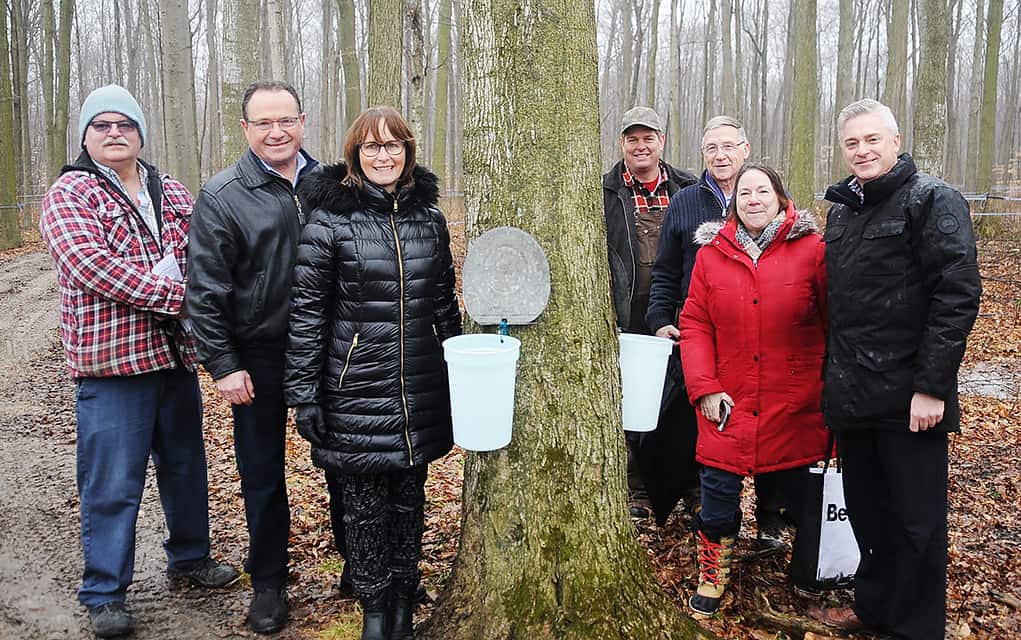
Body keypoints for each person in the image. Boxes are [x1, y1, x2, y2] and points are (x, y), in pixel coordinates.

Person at [39, 84, 238, 638]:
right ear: (86, 135)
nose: (113, 133)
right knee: (112, 483)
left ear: (139, 132)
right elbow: (92, 266)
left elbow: (200, 251)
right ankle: (104, 591)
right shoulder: (70, 193)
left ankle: (191, 558)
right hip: (112, 367)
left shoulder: (168, 187)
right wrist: (178, 294)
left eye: (124, 124)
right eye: (101, 125)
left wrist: (178, 277)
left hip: (174, 358)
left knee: (184, 466)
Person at [284, 106, 461, 640]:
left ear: (407, 153)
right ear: (354, 156)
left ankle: (405, 596)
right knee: (363, 506)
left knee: (410, 497)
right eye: (371, 147)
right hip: (353, 386)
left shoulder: (429, 219)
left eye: (393, 146)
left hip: (419, 385)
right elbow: (308, 311)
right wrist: (304, 394)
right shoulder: (329, 221)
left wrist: (460, 368)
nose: (383, 156)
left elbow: (442, 302)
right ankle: (375, 606)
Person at [808, 99, 981, 640]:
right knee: (868, 513)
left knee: (917, 522)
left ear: (896, 140)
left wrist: (932, 386)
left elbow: (956, 295)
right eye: (852, 143)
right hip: (855, 396)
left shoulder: (932, 200)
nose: (862, 151)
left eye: (872, 140)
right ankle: (874, 607)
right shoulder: (842, 211)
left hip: (911, 399)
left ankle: (917, 626)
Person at [186, 80, 319, 634]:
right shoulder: (222, 196)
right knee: (262, 473)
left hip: (325, 347)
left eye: (285, 120)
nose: (275, 131)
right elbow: (204, 290)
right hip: (257, 356)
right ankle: (268, 583)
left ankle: (358, 571)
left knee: (340, 460)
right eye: (262, 122)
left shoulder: (330, 183)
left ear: (302, 121)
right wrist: (223, 363)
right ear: (245, 129)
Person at [678, 163, 829, 615]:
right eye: (745, 193)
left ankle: (809, 570)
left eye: (763, 191)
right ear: (734, 203)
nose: (754, 199)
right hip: (729, 398)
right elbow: (695, 323)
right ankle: (713, 570)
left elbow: (835, 320)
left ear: (781, 198)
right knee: (718, 491)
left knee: (802, 495)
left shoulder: (813, 250)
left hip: (796, 399)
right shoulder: (711, 255)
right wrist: (704, 387)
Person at [647, 117, 794, 545]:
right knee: (709, 423)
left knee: (770, 426)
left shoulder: (768, 200)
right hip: (705, 333)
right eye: (712, 148)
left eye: (729, 146)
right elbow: (666, 270)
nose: (721, 155)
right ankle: (707, 511)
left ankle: (772, 517)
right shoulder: (686, 202)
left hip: (767, 339)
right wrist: (659, 319)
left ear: (746, 149)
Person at [602, 106, 696, 520]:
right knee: (632, 399)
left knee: (685, 398)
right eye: (632, 139)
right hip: (627, 313)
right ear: (621, 144)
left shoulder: (687, 189)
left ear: (661, 142)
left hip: (680, 312)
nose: (640, 146)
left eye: (648, 138)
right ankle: (635, 487)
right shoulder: (605, 191)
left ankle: (693, 486)